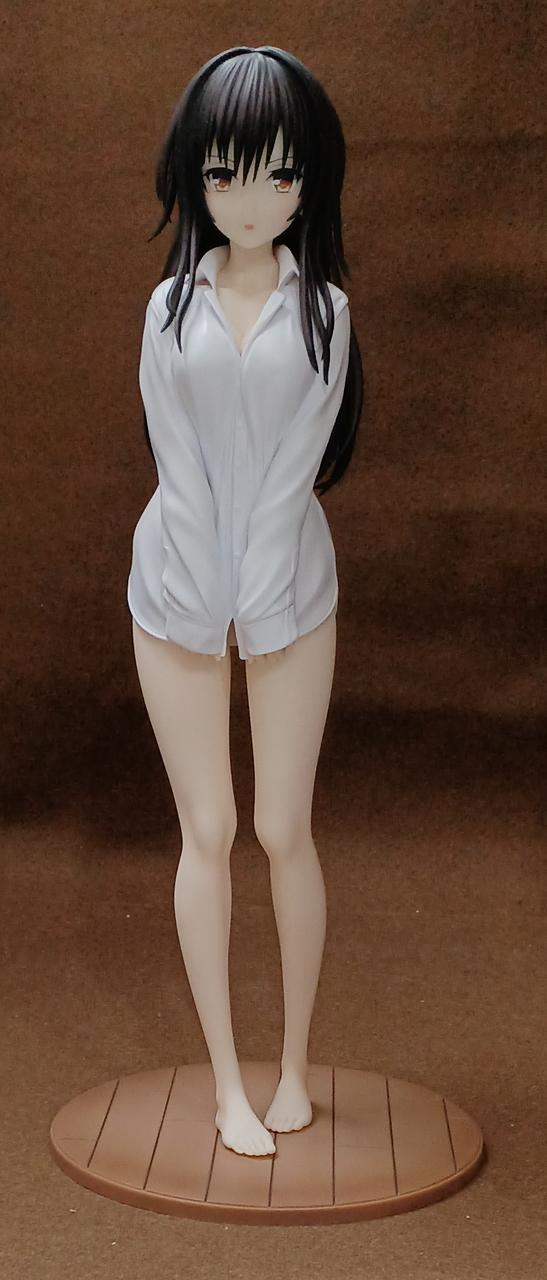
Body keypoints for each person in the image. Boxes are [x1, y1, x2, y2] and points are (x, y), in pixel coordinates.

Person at [127, 44, 363, 1156]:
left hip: (290, 591)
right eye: (226, 174)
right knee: (209, 830)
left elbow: (292, 472)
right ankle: (226, 1079)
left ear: (310, 180)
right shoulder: (167, 309)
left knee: (282, 827)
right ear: (195, 178)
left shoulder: (324, 313)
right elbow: (175, 463)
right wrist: (202, 589)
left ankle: (294, 1065)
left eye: (279, 173)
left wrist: (256, 594)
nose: (253, 200)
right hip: (174, 586)